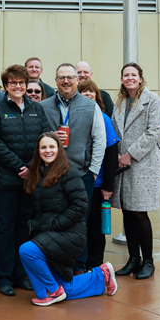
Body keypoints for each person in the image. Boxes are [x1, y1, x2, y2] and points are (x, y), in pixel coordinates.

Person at [18, 132, 118, 306]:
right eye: (43, 147)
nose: (47, 150)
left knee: (27, 250)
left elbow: (80, 206)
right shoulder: (38, 173)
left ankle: (52, 292)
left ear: (59, 149)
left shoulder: (69, 172)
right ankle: (101, 275)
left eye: (51, 146)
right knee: (66, 289)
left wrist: (54, 224)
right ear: (38, 151)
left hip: (69, 233)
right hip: (51, 233)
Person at [0, 64, 53, 296]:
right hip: (4, 181)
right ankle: (2, 276)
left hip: (29, 181)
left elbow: (45, 139)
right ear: (5, 86)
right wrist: (19, 166)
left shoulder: (37, 109)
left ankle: (18, 274)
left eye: (21, 83)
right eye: (13, 83)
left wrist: (32, 168)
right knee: (3, 229)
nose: (18, 86)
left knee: (23, 229)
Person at [39, 63, 106, 273]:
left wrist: (93, 171)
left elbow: (100, 140)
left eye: (70, 77)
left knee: (79, 224)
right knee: (51, 221)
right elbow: (37, 138)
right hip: (51, 175)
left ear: (77, 80)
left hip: (81, 174)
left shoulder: (90, 106)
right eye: (61, 77)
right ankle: (53, 264)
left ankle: (77, 265)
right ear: (55, 80)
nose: (66, 81)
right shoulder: (44, 106)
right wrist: (50, 135)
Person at [112, 62, 160, 280]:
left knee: (140, 213)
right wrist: (115, 154)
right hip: (122, 165)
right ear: (122, 78)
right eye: (126, 75)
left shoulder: (153, 101)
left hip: (142, 164)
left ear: (141, 78)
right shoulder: (121, 102)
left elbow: (154, 132)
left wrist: (130, 154)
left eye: (133, 74)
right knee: (127, 211)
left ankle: (148, 261)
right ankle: (133, 259)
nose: (130, 78)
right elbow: (115, 130)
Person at [78, 79, 120, 270]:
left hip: (97, 184)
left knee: (95, 228)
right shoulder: (74, 116)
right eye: (83, 91)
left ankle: (95, 265)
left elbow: (111, 153)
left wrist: (108, 186)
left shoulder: (103, 118)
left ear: (97, 96)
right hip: (78, 183)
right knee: (81, 227)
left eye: (91, 92)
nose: (88, 94)